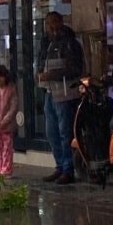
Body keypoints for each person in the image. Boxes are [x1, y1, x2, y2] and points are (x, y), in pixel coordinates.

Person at [36, 12, 84, 185]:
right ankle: (59, 166)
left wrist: (52, 75)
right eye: (48, 23)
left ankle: (67, 169)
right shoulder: (45, 42)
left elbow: (76, 69)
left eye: (54, 22)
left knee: (65, 132)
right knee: (52, 132)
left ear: (61, 22)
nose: (51, 27)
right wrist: (39, 74)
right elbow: (41, 63)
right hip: (49, 92)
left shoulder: (70, 43)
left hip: (65, 94)